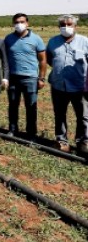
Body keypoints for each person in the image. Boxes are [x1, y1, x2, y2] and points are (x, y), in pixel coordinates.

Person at [45, 14, 88, 153]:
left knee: (83, 116)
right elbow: (50, 59)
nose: (66, 27)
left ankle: (83, 141)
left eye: (69, 24)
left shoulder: (84, 41)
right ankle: (62, 141)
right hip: (58, 85)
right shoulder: (52, 42)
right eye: (63, 25)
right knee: (60, 114)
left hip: (80, 86)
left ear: (75, 26)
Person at [4, 13, 47, 138]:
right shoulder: (8, 39)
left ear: (27, 23)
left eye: (22, 22)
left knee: (31, 107)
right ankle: (13, 129)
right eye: (16, 22)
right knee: (13, 105)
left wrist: (42, 78)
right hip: (13, 77)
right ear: (13, 24)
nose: (19, 24)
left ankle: (31, 133)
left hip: (31, 78)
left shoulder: (36, 39)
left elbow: (42, 60)